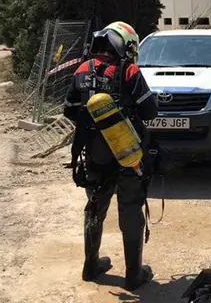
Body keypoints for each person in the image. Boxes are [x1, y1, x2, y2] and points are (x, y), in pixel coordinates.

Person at [63, 21, 159, 291]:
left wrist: (95, 126)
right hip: (127, 154)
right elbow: (150, 112)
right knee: (130, 209)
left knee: (95, 206)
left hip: (94, 155)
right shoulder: (128, 70)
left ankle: (90, 265)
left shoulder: (82, 69)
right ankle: (133, 274)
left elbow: (69, 109)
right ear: (125, 45)